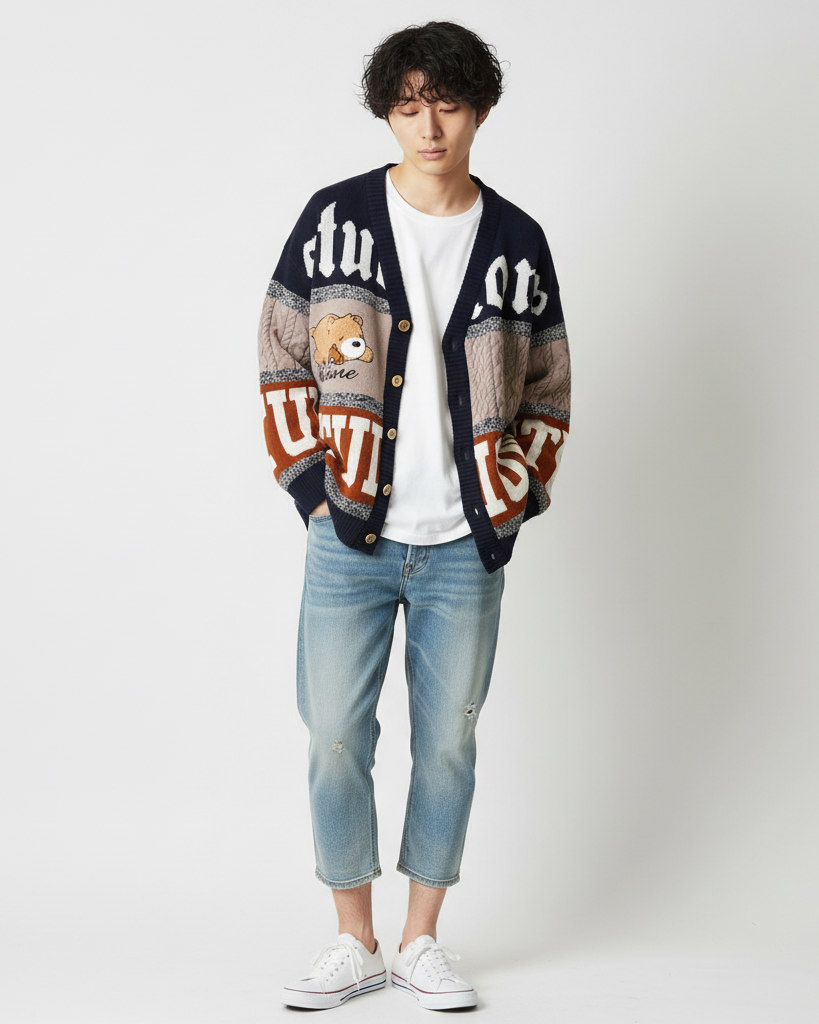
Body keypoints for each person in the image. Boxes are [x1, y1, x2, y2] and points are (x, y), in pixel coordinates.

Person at [258, 20, 571, 1011]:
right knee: (333, 735)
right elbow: (280, 354)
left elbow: (549, 388)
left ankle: (421, 939)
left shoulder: (517, 242)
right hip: (348, 534)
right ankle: (353, 940)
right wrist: (313, 488)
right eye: (408, 106)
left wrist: (509, 500)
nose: (428, 126)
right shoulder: (333, 221)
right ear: (387, 113)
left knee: (446, 744)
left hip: (462, 546)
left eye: (448, 104)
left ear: (480, 109)